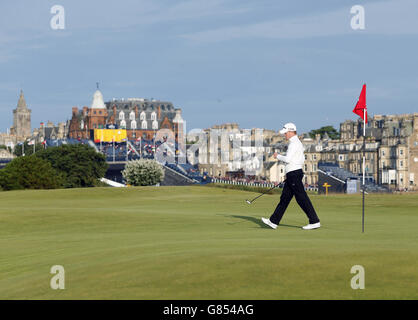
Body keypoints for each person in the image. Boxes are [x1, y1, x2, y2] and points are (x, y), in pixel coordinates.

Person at [261, 123, 320, 230]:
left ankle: (314, 221)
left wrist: (277, 156)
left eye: (286, 133)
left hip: (294, 174)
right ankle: (273, 221)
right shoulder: (296, 143)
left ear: (291, 131)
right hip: (293, 173)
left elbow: (287, 159)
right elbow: (300, 159)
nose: (285, 135)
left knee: (301, 198)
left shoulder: (294, 144)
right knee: (284, 198)